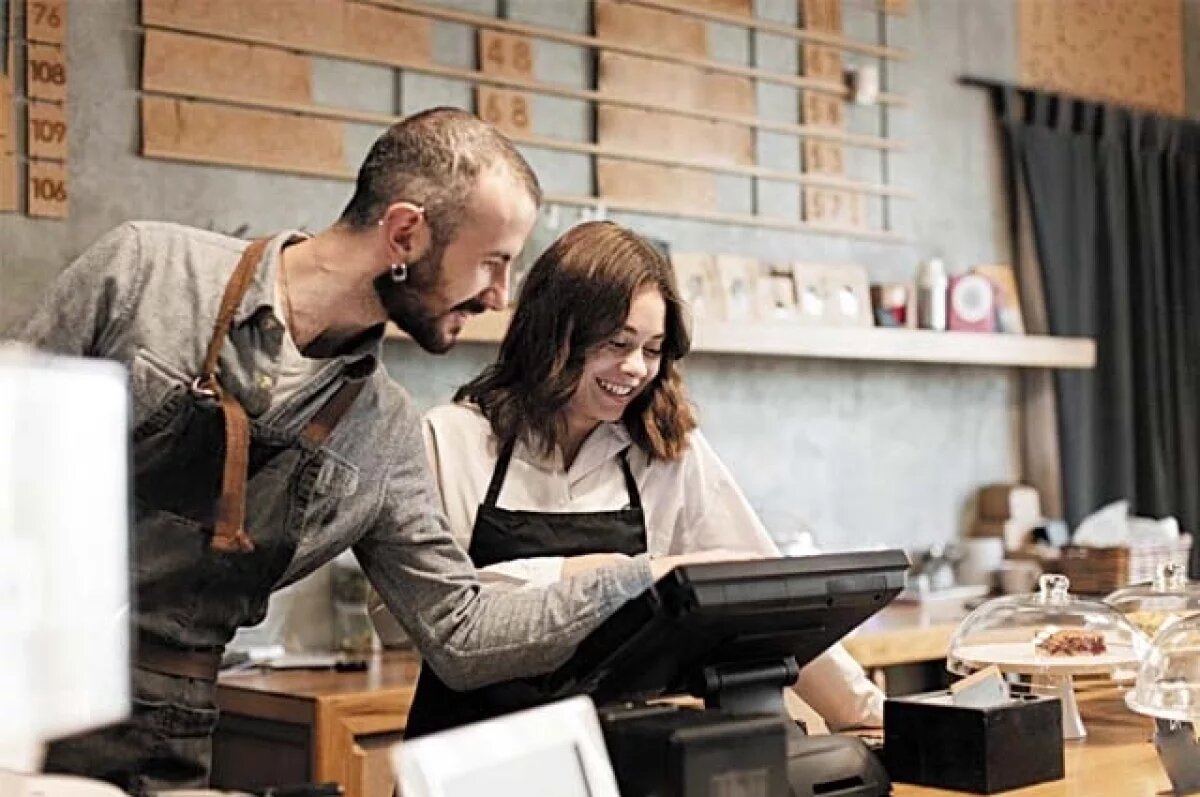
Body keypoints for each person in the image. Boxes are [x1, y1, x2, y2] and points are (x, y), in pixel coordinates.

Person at [8, 109, 693, 795]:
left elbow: (460, 630)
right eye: (493, 262)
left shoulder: (384, 431)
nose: (499, 295)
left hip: (168, 731)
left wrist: (648, 577)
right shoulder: (148, 274)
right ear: (404, 232)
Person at [407, 220, 885, 738]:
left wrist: (864, 711)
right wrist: (612, 573)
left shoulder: (666, 449)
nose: (635, 368)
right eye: (617, 343)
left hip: (613, 758)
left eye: (653, 349)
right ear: (553, 333)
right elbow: (411, 615)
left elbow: (763, 592)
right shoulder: (451, 439)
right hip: (467, 759)